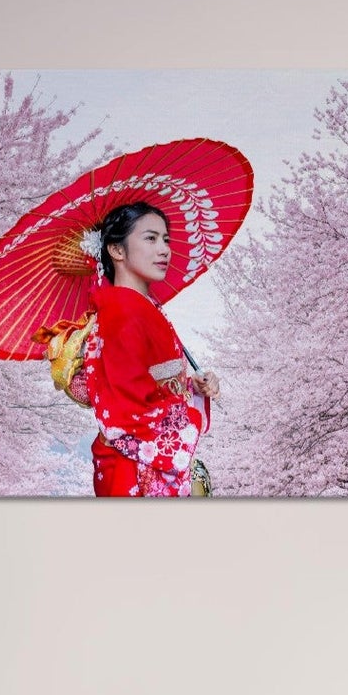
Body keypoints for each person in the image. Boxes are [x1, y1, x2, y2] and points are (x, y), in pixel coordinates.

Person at [66, 200, 219, 498]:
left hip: (132, 462)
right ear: (116, 250)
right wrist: (189, 406)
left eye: (166, 239)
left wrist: (193, 386)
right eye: (150, 238)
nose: (164, 249)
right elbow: (131, 407)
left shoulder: (133, 307)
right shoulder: (124, 311)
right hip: (138, 466)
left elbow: (152, 383)